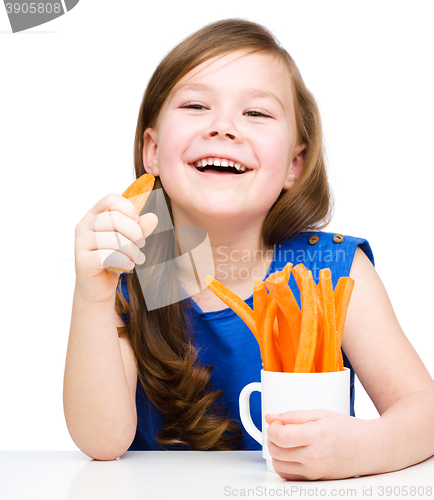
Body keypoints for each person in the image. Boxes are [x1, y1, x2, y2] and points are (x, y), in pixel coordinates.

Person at [64, 18, 434, 480]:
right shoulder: (138, 268)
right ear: (152, 151)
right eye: (197, 105)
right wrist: (93, 295)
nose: (223, 127)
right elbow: (101, 442)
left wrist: (362, 448)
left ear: (294, 165)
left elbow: (425, 413)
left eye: (256, 114)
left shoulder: (332, 269)